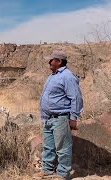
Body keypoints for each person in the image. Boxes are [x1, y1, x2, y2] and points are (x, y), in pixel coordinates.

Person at [35, 49, 83, 180]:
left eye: (51, 60)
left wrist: (73, 118)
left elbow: (76, 97)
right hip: (49, 119)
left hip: (61, 118)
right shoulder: (52, 76)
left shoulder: (68, 76)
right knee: (48, 146)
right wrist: (44, 117)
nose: (49, 62)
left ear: (59, 61)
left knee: (63, 148)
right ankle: (48, 170)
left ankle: (63, 174)